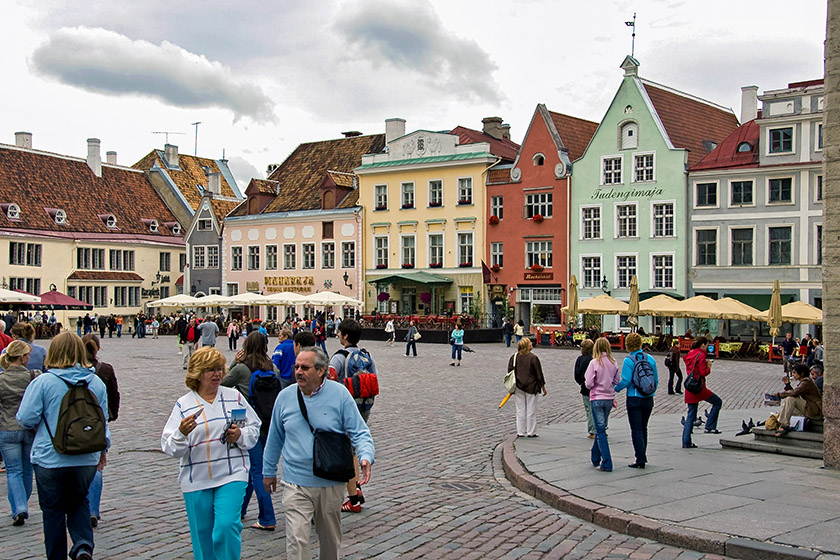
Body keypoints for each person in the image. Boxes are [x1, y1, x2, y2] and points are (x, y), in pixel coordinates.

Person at [263, 347, 375, 560]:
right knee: (297, 539)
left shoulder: (339, 394)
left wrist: (365, 456)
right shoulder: (284, 397)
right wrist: (268, 471)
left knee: (330, 540)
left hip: (329, 482)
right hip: (295, 482)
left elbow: (359, 431)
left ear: (321, 370)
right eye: (297, 367)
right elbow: (275, 437)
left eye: (305, 367)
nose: (298, 372)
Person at [16, 332, 110, 560]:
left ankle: (56, 555)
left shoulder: (43, 382)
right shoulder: (95, 382)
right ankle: (83, 545)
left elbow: (25, 418)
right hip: (86, 456)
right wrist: (103, 450)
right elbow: (102, 420)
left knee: (53, 510)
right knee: (79, 502)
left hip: (50, 457)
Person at [161, 347, 260, 560]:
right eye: (210, 370)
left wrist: (239, 434)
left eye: (219, 369)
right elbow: (170, 448)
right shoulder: (184, 404)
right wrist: (181, 433)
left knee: (226, 526)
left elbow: (253, 429)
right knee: (203, 536)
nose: (217, 375)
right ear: (197, 373)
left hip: (232, 474)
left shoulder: (234, 397)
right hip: (196, 479)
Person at [222, 332, 279, 531]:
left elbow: (222, 384)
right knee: (252, 467)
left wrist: (233, 362)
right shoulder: (272, 367)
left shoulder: (241, 368)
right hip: (268, 422)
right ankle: (241, 509)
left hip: (248, 423)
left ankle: (267, 517)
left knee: (256, 471)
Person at [328, 319, 377, 513]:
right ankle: (355, 487)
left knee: (344, 452)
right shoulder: (367, 356)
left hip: (345, 409)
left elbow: (329, 383)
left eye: (339, 332)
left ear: (345, 335)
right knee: (353, 449)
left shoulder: (339, 357)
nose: (337, 334)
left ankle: (353, 497)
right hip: (364, 405)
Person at [81, 334, 120, 528]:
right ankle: (93, 510)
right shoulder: (104, 369)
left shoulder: (76, 371)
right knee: (96, 465)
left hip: (75, 422)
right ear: (98, 347)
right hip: (98, 421)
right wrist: (113, 414)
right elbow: (114, 394)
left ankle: (80, 506)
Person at [0, 341, 39, 526]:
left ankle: (19, 507)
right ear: (22, 357)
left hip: (7, 428)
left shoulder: (1, 379)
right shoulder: (34, 376)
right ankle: (21, 504)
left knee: (13, 471)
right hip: (29, 428)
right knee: (26, 470)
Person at [615, 332, 658, 469]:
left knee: (636, 429)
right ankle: (642, 454)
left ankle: (640, 458)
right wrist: (650, 391)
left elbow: (626, 380)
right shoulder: (650, 358)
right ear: (640, 343)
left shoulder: (629, 360)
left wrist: (616, 388)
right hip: (648, 397)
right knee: (644, 427)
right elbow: (655, 380)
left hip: (634, 397)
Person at [584, 338, 620, 472]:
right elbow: (617, 380)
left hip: (597, 398)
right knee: (601, 427)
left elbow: (588, 382)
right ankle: (595, 457)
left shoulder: (594, 363)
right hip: (609, 398)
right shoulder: (613, 362)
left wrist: (594, 385)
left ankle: (607, 462)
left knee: (600, 431)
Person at [682, 337, 723, 448]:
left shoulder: (691, 353)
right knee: (717, 401)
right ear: (703, 345)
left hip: (690, 387)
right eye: (707, 344)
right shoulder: (701, 354)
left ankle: (686, 442)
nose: (707, 347)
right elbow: (703, 372)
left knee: (691, 415)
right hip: (699, 388)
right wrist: (708, 366)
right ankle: (710, 426)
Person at [772, 363, 823, 437]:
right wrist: (787, 385)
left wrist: (780, 394)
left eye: (794, 373)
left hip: (815, 410)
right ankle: (782, 422)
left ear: (801, 374)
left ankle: (784, 425)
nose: (793, 375)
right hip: (811, 408)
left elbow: (795, 393)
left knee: (790, 399)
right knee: (787, 405)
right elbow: (795, 393)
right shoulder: (805, 381)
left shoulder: (807, 382)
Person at [509, 337, 546, 438]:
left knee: (520, 409)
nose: (532, 344)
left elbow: (509, 371)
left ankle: (520, 431)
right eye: (530, 343)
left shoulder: (514, 357)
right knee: (531, 409)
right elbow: (539, 374)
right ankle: (531, 431)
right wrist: (542, 386)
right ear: (526, 346)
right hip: (531, 386)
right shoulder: (533, 358)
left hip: (518, 386)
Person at [573, 339, 596, 439]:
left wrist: (581, 382)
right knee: (597, 409)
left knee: (589, 409)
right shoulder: (594, 358)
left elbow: (576, 374)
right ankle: (601, 428)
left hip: (585, 387)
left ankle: (592, 430)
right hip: (595, 387)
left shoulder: (580, 359)